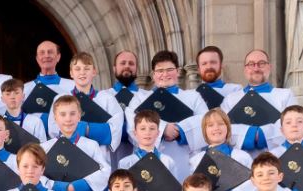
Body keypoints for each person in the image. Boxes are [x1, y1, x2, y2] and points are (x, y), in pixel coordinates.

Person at [125, 50, 208, 179]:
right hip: (146, 160)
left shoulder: (193, 96)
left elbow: (206, 122)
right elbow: (132, 122)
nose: (165, 74)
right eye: (160, 71)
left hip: (183, 160)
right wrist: (163, 129)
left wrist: (180, 130)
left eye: (170, 69)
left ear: (178, 71)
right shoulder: (140, 98)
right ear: (153, 74)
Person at [47, 52, 124, 164]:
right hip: (69, 154)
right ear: (71, 73)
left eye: (86, 68)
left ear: (94, 72)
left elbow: (114, 131)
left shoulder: (107, 99)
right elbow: (54, 130)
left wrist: (85, 128)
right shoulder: (61, 99)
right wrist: (97, 128)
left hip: (99, 156)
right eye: (77, 69)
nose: (82, 72)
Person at [220, 49, 298, 155]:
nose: (256, 68)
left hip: (276, 159)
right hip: (240, 159)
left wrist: (262, 135)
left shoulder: (286, 95)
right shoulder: (231, 99)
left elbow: (292, 125)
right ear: (245, 69)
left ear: (269, 67)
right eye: (251, 64)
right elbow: (223, 128)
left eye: (261, 63)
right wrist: (251, 134)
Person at [101, 50, 150, 166]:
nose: (127, 66)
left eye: (131, 63)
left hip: (140, 154)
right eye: (123, 63)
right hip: (110, 154)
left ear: (136, 68)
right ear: (114, 68)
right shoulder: (103, 96)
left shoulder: (148, 96)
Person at [23, 41, 75, 133]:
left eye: (50, 52)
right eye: (42, 53)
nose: (46, 56)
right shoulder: (25, 88)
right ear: (37, 59)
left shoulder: (72, 86)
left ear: (58, 57)